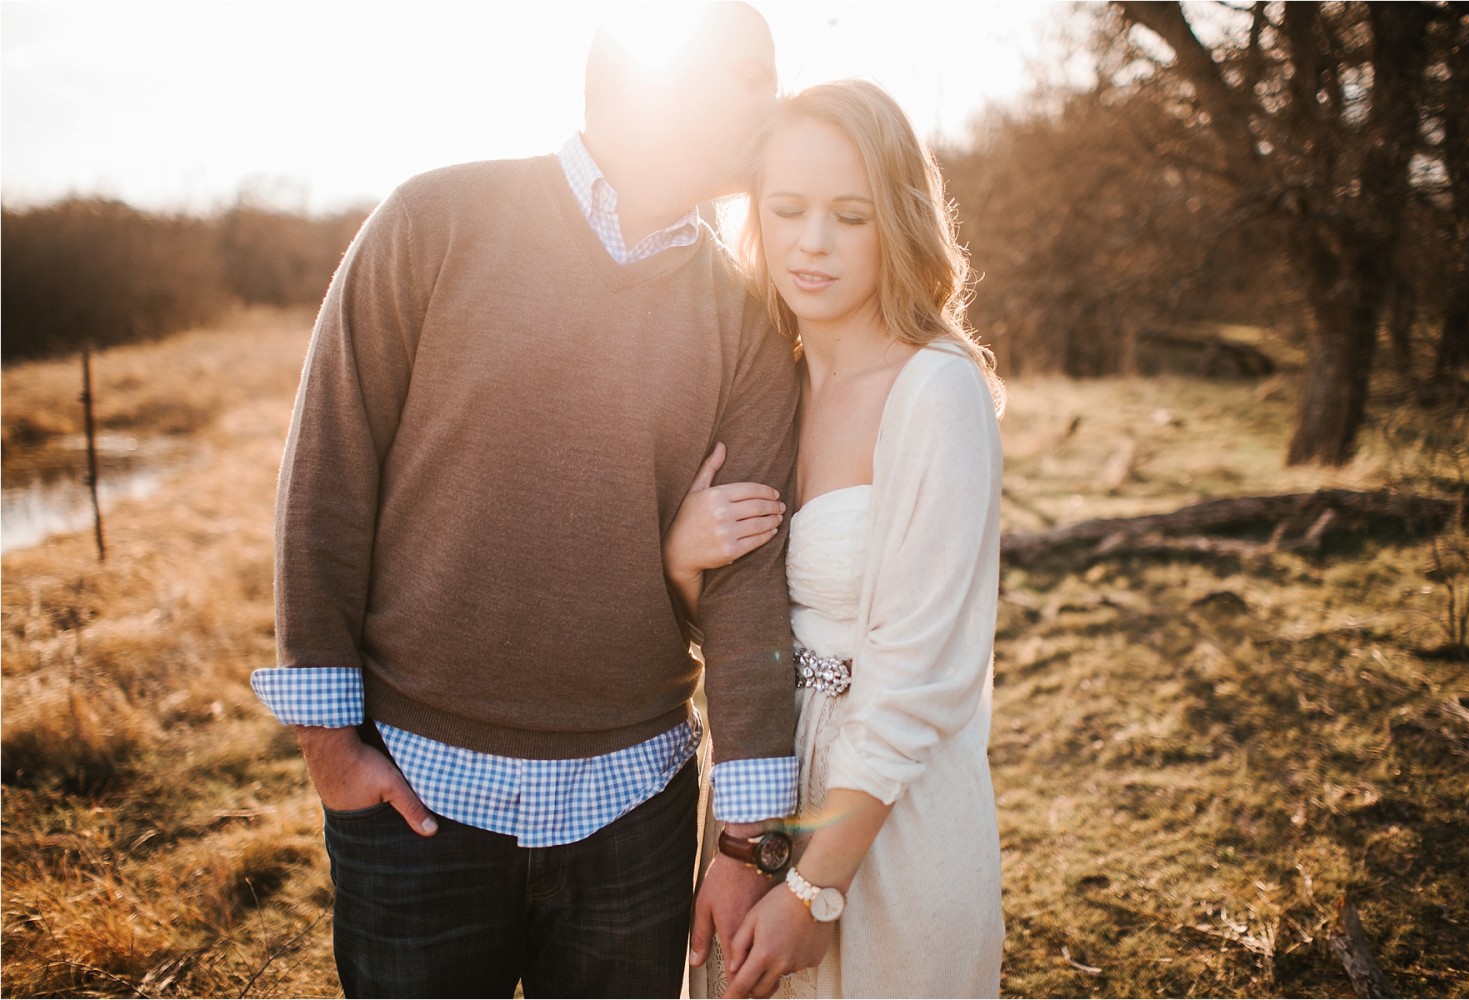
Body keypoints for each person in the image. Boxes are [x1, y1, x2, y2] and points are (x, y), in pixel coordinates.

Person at [248, 5, 802, 997]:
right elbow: (327, 476)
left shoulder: (748, 320)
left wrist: (747, 839)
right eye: (747, 73)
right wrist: (331, 747)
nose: (771, 100)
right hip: (416, 793)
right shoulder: (434, 220)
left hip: (636, 809)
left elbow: (750, 582)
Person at [669, 80, 1007, 999]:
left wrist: (816, 888)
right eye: (787, 209)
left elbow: (913, 678)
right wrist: (685, 561)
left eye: (849, 216)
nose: (812, 242)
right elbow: (748, 633)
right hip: (763, 783)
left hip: (886, 821)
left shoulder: (936, 392)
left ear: (896, 221)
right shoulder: (766, 382)